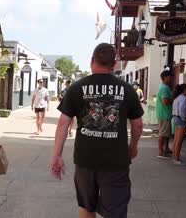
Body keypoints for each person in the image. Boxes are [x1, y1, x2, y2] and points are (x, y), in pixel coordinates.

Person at [51, 43, 144, 218]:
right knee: (115, 212)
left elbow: (63, 123)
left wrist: (57, 155)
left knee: (87, 207)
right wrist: (133, 146)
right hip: (116, 161)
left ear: (92, 61)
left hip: (86, 160)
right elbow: (138, 124)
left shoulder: (76, 88)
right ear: (114, 63)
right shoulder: (127, 89)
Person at [156, 70, 173, 159]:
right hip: (164, 113)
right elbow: (165, 101)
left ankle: (166, 148)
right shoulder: (164, 88)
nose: (171, 78)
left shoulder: (164, 87)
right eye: (170, 76)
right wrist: (174, 99)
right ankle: (160, 151)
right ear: (165, 77)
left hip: (165, 113)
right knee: (163, 133)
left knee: (166, 133)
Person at [171, 84, 186, 165]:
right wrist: (185, 119)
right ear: (184, 90)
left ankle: (174, 155)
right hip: (180, 118)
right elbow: (182, 110)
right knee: (179, 140)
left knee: (176, 138)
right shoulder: (183, 99)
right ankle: (177, 158)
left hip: (175, 117)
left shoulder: (177, 98)